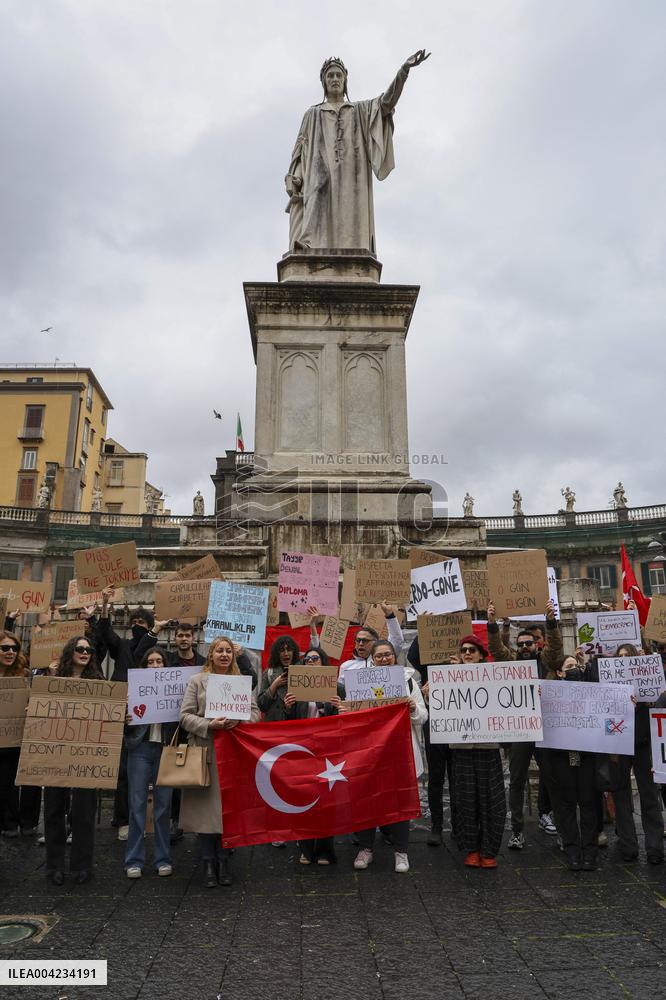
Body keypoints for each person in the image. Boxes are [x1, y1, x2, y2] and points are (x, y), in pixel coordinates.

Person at [285, 51, 430, 252]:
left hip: (352, 178)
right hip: (319, 176)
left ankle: (352, 253)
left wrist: (403, 71)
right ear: (324, 82)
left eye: (338, 75)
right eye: (330, 76)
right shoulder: (312, 114)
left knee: (351, 215)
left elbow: (386, 103)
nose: (334, 79)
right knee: (316, 195)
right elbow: (301, 151)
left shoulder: (360, 111)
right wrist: (295, 176)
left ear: (345, 81)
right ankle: (311, 246)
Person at [340, 639, 427, 874]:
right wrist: (346, 712)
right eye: (378, 656)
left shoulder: (408, 682)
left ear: (395, 657)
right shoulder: (358, 685)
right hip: (369, 755)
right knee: (367, 802)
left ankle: (401, 852)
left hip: (400, 753)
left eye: (387, 655)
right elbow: (352, 722)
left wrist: (413, 709)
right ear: (372, 660)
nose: (384, 659)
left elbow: (423, 717)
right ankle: (365, 849)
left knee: (400, 804)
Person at [179, 636, 259, 887]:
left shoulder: (240, 683)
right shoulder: (197, 681)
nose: (224, 655)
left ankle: (223, 860)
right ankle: (207, 862)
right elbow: (184, 716)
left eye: (228, 651)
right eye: (219, 651)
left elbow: (255, 713)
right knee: (206, 812)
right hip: (204, 753)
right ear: (211, 655)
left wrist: (242, 721)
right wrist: (208, 724)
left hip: (232, 754)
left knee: (227, 811)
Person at [487, 600, 562, 849]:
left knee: (552, 778)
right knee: (517, 780)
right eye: (520, 644)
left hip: (546, 729)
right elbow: (497, 649)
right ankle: (517, 831)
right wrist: (493, 624)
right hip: (521, 729)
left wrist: (551, 621)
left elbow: (556, 646)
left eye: (529, 643)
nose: (525, 647)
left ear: (536, 645)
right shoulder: (512, 661)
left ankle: (561, 827)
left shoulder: (547, 660)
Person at [44, 636, 104, 885]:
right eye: (80, 648)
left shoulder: (99, 683)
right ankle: (54, 866)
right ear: (70, 652)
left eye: (89, 649)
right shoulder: (53, 681)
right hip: (56, 753)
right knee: (54, 810)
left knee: (84, 812)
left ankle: (82, 866)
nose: (85, 652)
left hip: (85, 755)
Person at [98, 588, 156, 840]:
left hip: (144, 713)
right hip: (119, 709)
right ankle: (122, 819)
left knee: (140, 771)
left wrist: (153, 632)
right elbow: (105, 634)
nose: (136, 626)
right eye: (133, 622)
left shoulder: (152, 651)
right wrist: (104, 605)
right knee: (122, 769)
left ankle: (139, 818)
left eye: (141, 623)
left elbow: (141, 653)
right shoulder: (120, 645)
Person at [447, 635, 507, 869]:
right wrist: (430, 693)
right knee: (465, 799)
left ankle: (489, 850)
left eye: (472, 650)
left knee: (491, 798)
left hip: (487, 746)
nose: (468, 654)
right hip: (461, 747)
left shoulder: (495, 676)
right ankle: (471, 848)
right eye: (464, 650)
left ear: (481, 654)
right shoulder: (449, 678)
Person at [607, 643, 664, 864]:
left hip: (643, 745)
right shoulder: (610, 685)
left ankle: (655, 849)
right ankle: (628, 846)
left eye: (626, 657)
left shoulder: (649, 691)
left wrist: (642, 702)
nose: (622, 660)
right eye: (619, 657)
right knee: (621, 796)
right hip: (619, 746)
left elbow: (659, 709)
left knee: (649, 796)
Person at [124, 647, 177, 879]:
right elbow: (123, 723)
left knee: (163, 807)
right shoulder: (133, 689)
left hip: (165, 749)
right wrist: (125, 715)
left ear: (166, 666)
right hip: (140, 749)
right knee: (136, 806)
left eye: (159, 661)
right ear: (144, 666)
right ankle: (133, 860)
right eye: (151, 662)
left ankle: (162, 859)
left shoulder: (176, 689)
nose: (155, 665)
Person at [543, 652, 599, 871]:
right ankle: (572, 851)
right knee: (565, 806)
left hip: (586, 757)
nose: (574, 669)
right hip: (560, 758)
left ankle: (590, 853)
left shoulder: (592, 692)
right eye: (569, 666)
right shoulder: (549, 694)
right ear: (559, 673)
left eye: (577, 666)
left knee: (588, 804)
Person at [406, 634, 449, 847]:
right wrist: (422, 630)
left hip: (462, 727)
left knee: (459, 776)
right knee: (436, 778)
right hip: (435, 725)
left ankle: (461, 825)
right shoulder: (427, 664)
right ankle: (437, 827)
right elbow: (413, 655)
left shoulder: (461, 661)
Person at [0, 629, 34, 838]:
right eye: (5, 648)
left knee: (26, 781)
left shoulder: (26, 675)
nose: (10, 652)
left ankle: (27, 822)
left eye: (14, 648)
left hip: (22, 736)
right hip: (2, 740)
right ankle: (9, 823)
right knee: (4, 782)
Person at [338, 603, 404, 684]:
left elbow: (397, 640)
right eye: (358, 640)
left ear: (375, 642)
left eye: (365, 640)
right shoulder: (346, 666)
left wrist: (389, 615)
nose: (361, 644)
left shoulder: (382, 661)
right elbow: (341, 691)